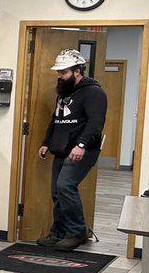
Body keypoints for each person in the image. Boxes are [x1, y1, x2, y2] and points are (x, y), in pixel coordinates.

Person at [37, 49, 107, 251]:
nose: (59, 76)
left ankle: (77, 232)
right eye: (59, 72)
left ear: (77, 71)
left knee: (66, 186)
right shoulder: (64, 92)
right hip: (61, 149)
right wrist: (46, 142)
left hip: (82, 150)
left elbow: (95, 123)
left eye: (63, 72)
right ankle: (58, 232)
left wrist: (82, 144)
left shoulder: (94, 92)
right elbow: (56, 120)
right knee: (57, 192)